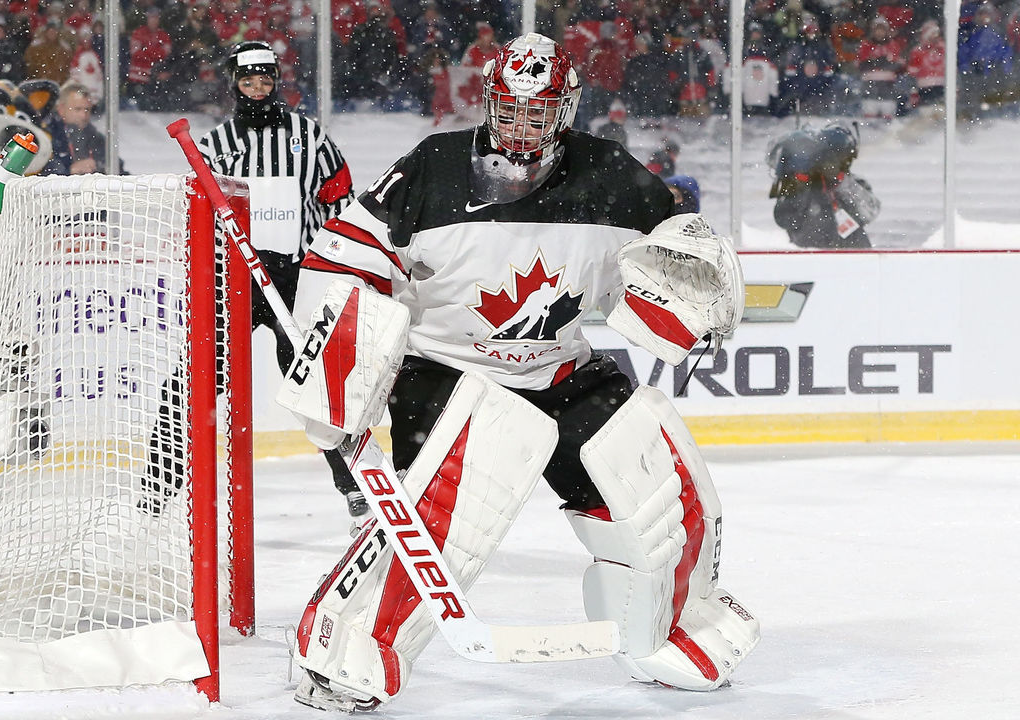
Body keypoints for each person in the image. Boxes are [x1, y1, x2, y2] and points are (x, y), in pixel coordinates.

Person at [285, 32, 759, 712]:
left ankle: (669, 625)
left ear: (564, 112)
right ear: (489, 103)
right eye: (509, 110)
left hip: (560, 369)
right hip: (444, 369)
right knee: (446, 515)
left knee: (656, 478)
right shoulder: (435, 164)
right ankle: (346, 644)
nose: (520, 127)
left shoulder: (612, 176)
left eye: (537, 114)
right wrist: (339, 352)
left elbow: (674, 252)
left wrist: (700, 282)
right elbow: (342, 260)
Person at [144, 40, 363, 518]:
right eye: (249, 81)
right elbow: (196, 215)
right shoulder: (215, 145)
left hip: (295, 281)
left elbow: (341, 202)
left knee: (317, 379)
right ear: (234, 84)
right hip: (237, 278)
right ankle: (157, 486)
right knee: (199, 371)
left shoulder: (311, 136)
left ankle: (356, 484)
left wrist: (329, 261)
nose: (258, 89)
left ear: (277, 81)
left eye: (266, 80)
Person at [768, 121, 880, 248]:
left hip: (854, 257)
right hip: (812, 260)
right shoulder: (796, 185)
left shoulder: (853, 183)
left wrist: (840, 181)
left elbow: (870, 212)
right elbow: (785, 219)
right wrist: (801, 183)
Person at [55, 81, 122, 174]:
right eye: (78, 109)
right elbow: (39, 173)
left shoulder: (96, 138)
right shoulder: (48, 137)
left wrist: (99, 167)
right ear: (61, 109)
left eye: (87, 109)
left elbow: (118, 169)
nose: (83, 115)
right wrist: (68, 171)